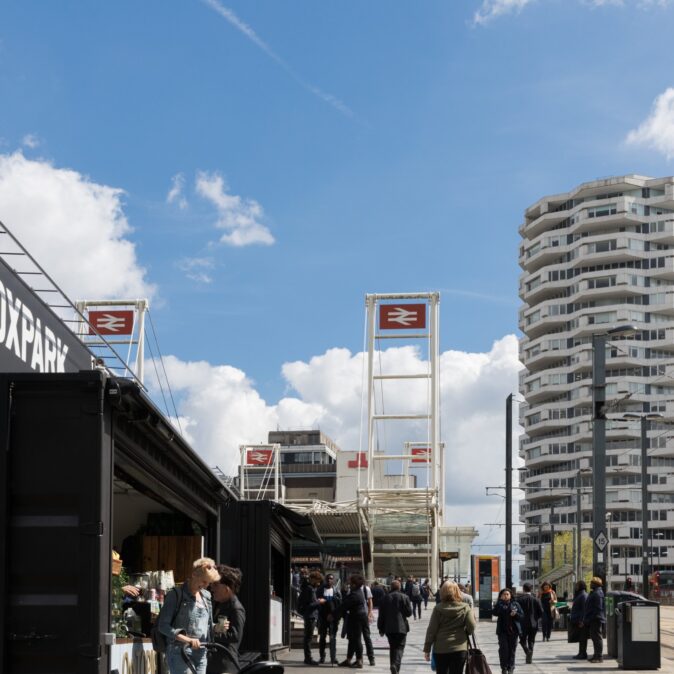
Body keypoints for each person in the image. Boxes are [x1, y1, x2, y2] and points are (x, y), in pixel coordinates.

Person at [158, 557, 220, 674]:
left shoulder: (206, 596)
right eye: (203, 581)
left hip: (201, 651)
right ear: (193, 575)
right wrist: (188, 640)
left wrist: (216, 627)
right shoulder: (176, 595)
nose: (205, 585)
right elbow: (163, 626)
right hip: (179, 651)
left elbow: (205, 625)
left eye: (208, 583)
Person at [423, 581, 476, 674]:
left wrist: (427, 649)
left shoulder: (438, 608)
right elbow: (472, 625)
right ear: (457, 591)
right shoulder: (465, 607)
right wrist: (466, 632)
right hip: (460, 647)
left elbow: (431, 630)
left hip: (441, 648)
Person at [377, 580, 412, 674]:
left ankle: (393, 666)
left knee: (392, 647)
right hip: (401, 628)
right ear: (399, 587)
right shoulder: (405, 597)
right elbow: (409, 613)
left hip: (389, 628)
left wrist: (380, 628)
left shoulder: (384, 598)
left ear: (391, 587)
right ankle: (395, 665)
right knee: (400, 647)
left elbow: (381, 615)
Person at [339, 574, 368, 669]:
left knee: (357, 639)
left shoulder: (355, 594)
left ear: (354, 584)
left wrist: (333, 614)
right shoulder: (358, 591)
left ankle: (359, 660)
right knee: (352, 639)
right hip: (358, 617)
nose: (349, 584)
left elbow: (344, 605)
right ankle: (349, 659)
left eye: (350, 583)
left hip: (357, 618)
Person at [492, 588, 523, 674]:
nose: (505, 596)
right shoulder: (499, 604)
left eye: (507, 594)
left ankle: (511, 667)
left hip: (513, 631)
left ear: (510, 595)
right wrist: (500, 604)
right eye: (503, 594)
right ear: (501, 596)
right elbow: (494, 613)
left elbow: (521, 616)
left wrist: (515, 614)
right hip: (502, 631)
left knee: (512, 649)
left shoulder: (515, 604)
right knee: (503, 649)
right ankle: (504, 667)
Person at [298, 570, 326, 665]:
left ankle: (308, 658)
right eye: (318, 581)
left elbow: (309, 603)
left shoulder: (309, 588)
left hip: (311, 615)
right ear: (313, 579)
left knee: (308, 637)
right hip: (310, 616)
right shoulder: (309, 589)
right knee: (308, 638)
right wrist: (319, 602)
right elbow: (309, 605)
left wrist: (316, 601)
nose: (319, 583)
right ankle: (308, 658)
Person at [317, 573, 342, 665]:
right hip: (323, 617)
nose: (329, 580)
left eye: (331, 579)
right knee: (322, 637)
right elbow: (317, 602)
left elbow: (340, 605)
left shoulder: (336, 591)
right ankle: (322, 657)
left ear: (333, 580)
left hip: (333, 618)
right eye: (327, 579)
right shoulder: (320, 590)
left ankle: (333, 657)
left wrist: (336, 617)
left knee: (333, 638)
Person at [515, 582, 542, 664]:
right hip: (533, 624)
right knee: (531, 640)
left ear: (523, 589)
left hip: (522, 624)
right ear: (531, 589)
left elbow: (516, 612)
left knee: (522, 640)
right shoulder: (536, 599)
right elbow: (541, 612)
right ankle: (529, 658)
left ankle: (527, 651)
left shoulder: (518, 599)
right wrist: (536, 618)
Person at [581, 577, 605, 663]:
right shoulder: (594, 592)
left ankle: (599, 656)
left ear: (596, 584)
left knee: (597, 638)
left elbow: (597, 609)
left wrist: (590, 618)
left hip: (596, 619)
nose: (590, 584)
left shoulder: (597, 593)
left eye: (592, 583)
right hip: (592, 619)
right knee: (594, 638)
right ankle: (596, 655)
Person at [569, 580, 588, 660]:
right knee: (581, 637)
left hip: (580, 620)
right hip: (577, 619)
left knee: (582, 637)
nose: (575, 587)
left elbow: (584, 609)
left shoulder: (583, 595)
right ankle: (581, 652)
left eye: (577, 585)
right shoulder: (580, 595)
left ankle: (583, 653)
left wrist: (582, 620)